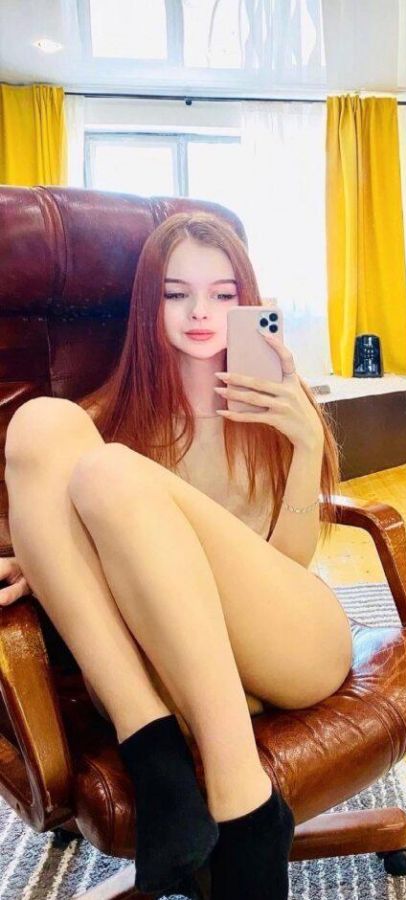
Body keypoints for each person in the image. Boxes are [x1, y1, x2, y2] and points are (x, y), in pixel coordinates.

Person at [2, 212, 354, 900]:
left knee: (110, 472)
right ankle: (155, 750)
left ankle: (243, 799)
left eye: (223, 295)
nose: (200, 313)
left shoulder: (275, 409)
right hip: (168, 668)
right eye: (176, 294)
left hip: (291, 641)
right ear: (148, 304)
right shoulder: (106, 423)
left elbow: (289, 566)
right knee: (45, 424)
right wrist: (41, 563)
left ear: (248, 301)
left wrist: (307, 443)